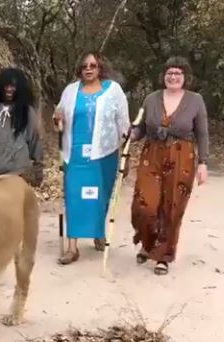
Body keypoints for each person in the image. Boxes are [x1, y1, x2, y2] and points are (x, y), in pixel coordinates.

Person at [129, 56, 209, 275]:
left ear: (185, 77)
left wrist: (203, 162)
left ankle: (163, 255)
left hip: (182, 156)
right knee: (145, 205)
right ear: (163, 76)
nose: (173, 77)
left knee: (172, 208)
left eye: (178, 73)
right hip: (152, 153)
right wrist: (131, 133)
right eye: (169, 73)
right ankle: (147, 242)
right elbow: (141, 129)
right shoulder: (151, 99)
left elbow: (202, 133)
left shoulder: (195, 100)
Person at [53, 51, 130, 264]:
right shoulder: (70, 91)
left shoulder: (113, 90)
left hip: (104, 153)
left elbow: (124, 122)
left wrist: (127, 148)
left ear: (100, 68)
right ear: (80, 69)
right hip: (75, 153)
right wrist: (57, 118)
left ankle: (98, 232)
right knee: (74, 197)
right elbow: (59, 117)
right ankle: (72, 247)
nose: (88, 69)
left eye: (93, 65)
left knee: (99, 196)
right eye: (85, 66)